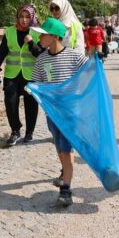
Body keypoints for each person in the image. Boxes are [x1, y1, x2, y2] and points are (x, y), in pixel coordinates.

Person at [31, 18, 89, 206]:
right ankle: (65, 172)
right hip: (51, 113)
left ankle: (66, 189)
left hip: (69, 113)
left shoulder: (74, 56)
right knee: (59, 146)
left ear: (55, 36)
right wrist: (32, 89)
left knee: (66, 149)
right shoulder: (41, 59)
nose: (39, 37)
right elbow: (36, 82)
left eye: (43, 33)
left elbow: (89, 74)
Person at [0, 5, 42, 146]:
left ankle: (29, 132)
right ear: (17, 17)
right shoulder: (9, 32)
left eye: (27, 17)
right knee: (10, 102)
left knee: (31, 104)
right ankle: (15, 131)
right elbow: (2, 51)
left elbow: (40, 54)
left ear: (32, 17)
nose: (24, 20)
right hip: (12, 74)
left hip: (30, 75)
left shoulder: (37, 33)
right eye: (21, 16)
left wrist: (31, 42)